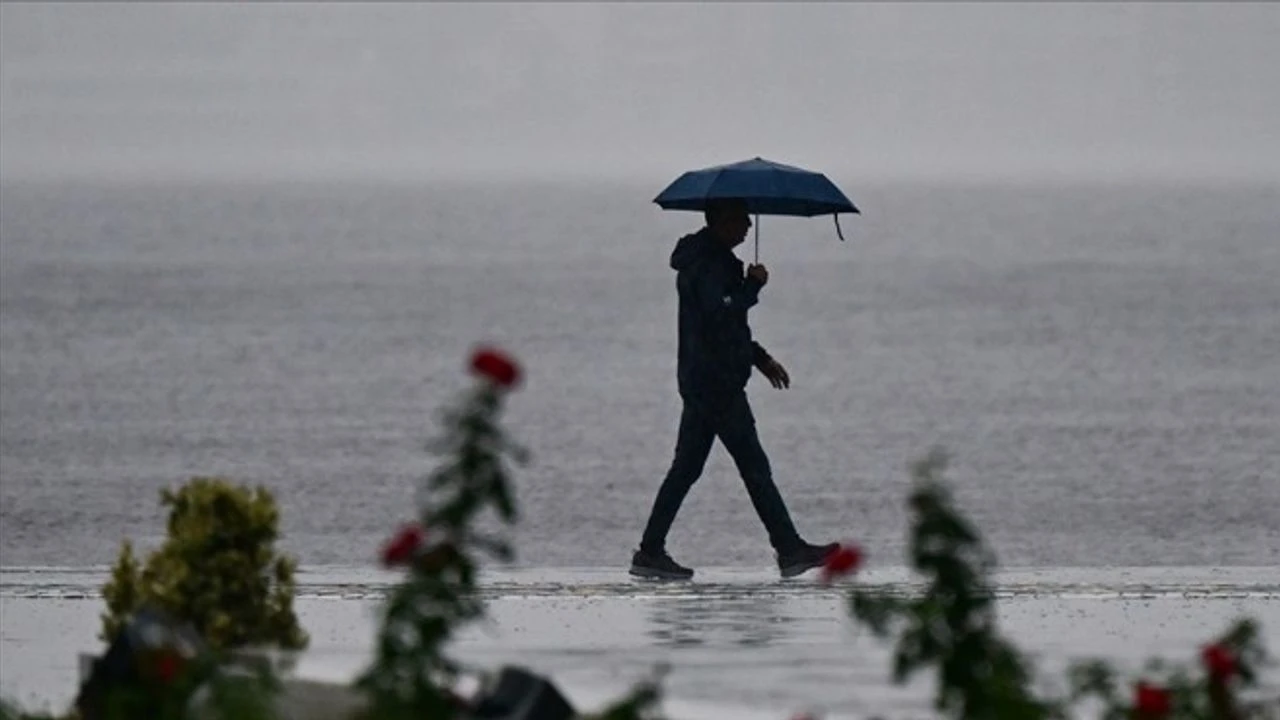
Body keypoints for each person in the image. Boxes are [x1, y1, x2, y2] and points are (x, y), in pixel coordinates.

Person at [630, 197, 837, 580]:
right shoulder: (708, 264)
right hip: (715, 385)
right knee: (754, 468)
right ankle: (789, 549)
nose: (747, 227)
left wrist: (760, 358)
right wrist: (753, 286)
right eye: (741, 220)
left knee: (686, 469)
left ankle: (650, 551)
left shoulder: (713, 260)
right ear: (721, 222)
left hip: (704, 380)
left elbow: (728, 328)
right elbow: (721, 312)